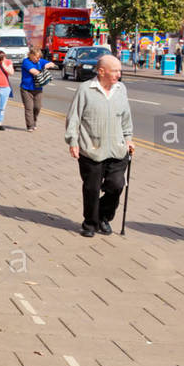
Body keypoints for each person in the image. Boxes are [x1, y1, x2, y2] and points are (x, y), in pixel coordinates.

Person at [64, 54, 134, 237]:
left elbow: (126, 117)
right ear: (101, 71)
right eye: (115, 71)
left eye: (120, 70)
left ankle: (104, 216)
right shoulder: (86, 89)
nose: (119, 74)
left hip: (118, 149)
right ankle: (90, 223)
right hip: (91, 149)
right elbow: (74, 117)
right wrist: (73, 141)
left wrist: (128, 138)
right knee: (92, 189)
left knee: (117, 185)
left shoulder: (121, 89)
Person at [19, 47, 49, 131]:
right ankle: (30, 126)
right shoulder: (26, 62)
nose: (38, 59)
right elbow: (34, 72)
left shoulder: (40, 61)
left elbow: (50, 64)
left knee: (37, 107)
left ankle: (34, 121)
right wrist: (44, 70)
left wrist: (48, 65)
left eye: (39, 57)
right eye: (36, 57)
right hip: (26, 89)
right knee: (29, 108)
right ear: (31, 55)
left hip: (38, 89)